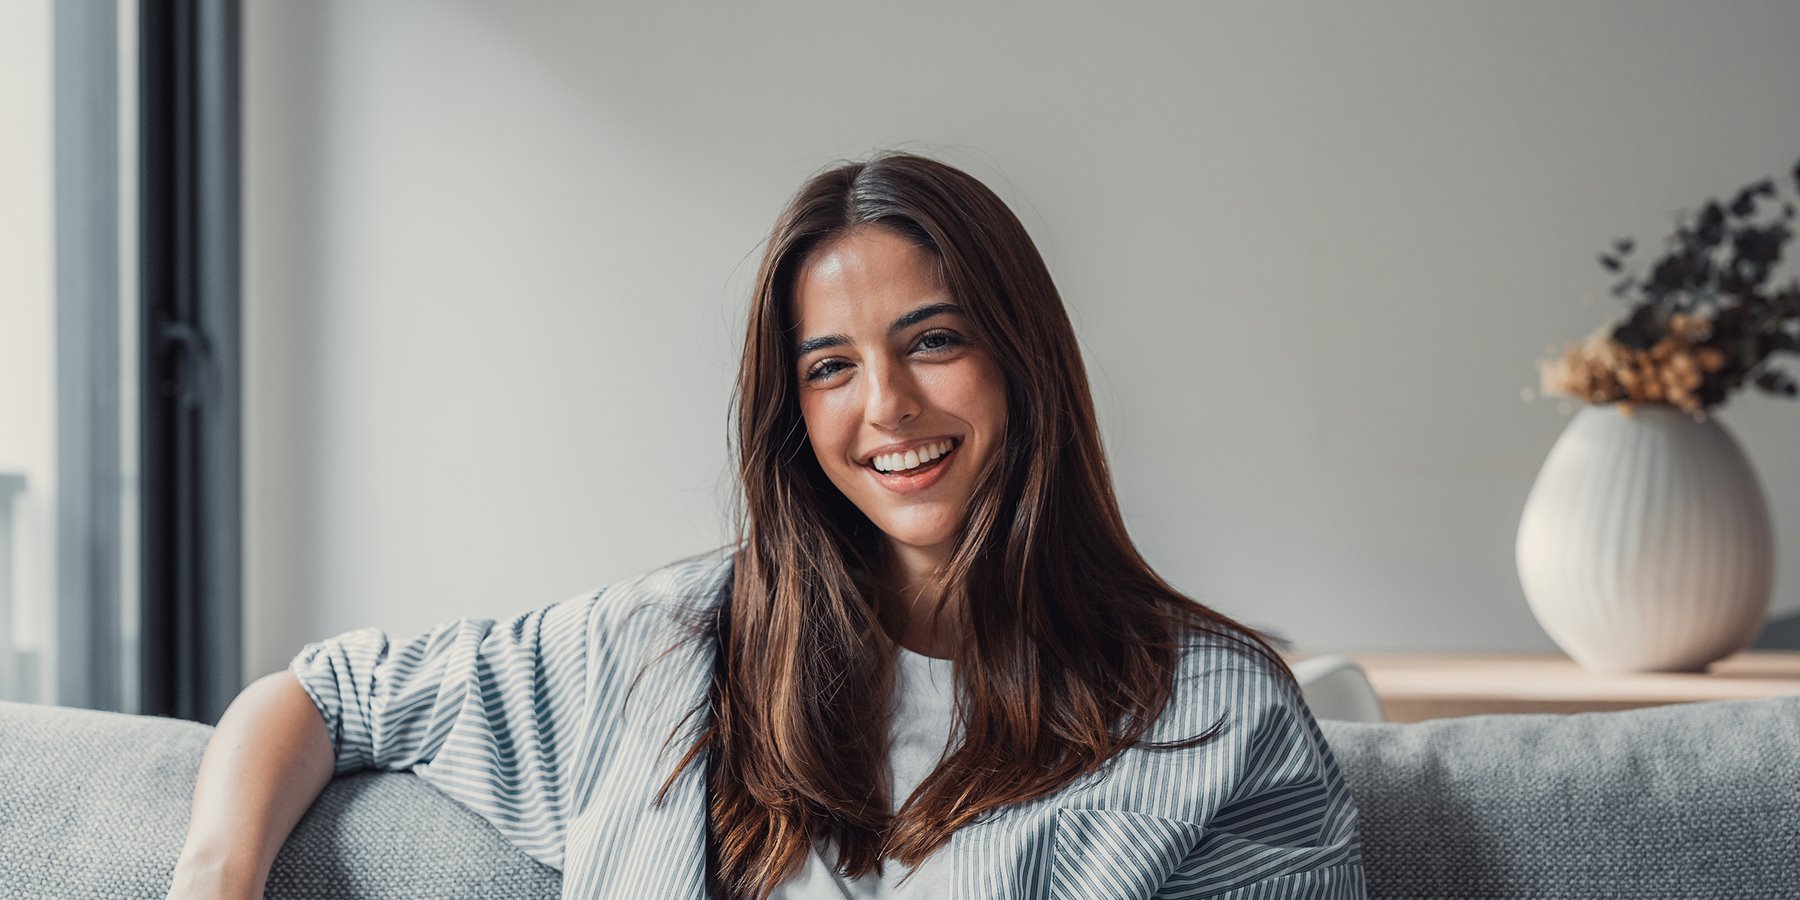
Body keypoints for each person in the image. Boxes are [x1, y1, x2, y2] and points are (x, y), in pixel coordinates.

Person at [167, 151, 1366, 899]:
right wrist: (216, 878)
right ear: (792, 412)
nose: (887, 406)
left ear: (1023, 360)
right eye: (830, 367)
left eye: (934, 340)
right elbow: (325, 696)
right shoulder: (661, 650)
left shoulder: (1218, 719)